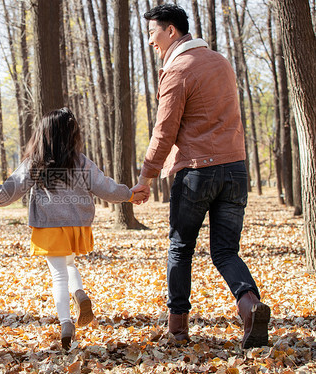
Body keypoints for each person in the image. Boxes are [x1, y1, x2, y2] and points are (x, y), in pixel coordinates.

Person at [131, 4, 270, 349]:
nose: (150, 42)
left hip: (197, 172)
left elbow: (164, 132)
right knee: (225, 250)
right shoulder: (222, 62)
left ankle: (177, 330)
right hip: (235, 168)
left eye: (152, 33)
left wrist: (146, 176)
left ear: (171, 32)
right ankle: (250, 307)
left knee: (180, 248)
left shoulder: (178, 69)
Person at [0, 107, 142, 350]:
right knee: (69, 264)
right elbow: (105, 188)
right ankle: (79, 292)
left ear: (42, 135)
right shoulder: (81, 162)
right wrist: (129, 195)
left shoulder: (35, 162)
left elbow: (12, 189)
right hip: (76, 225)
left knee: (58, 274)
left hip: (49, 226)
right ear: (71, 135)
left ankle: (66, 322)